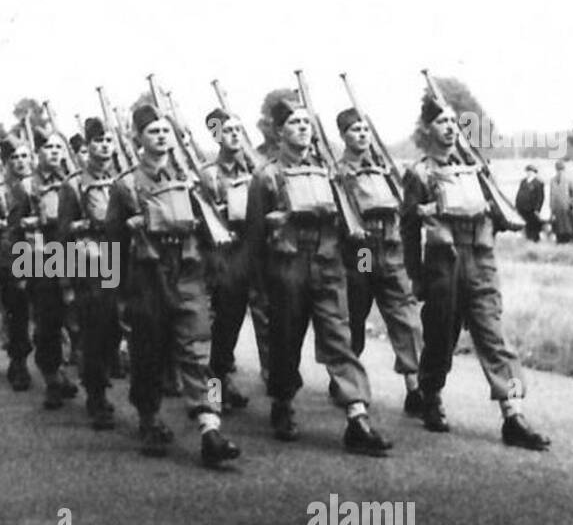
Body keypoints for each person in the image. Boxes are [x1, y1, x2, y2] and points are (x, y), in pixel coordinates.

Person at [400, 95, 549, 450]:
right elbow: (407, 229)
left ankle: (513, 414)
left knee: (495, 339)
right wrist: (416, 275)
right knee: (439, 338)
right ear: (427, 130)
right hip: (443, 263)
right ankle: (430, 396)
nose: (450, 127)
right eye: (442, 122)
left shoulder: (476, 170)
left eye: (453, 122)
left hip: (481, 260)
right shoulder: (419, 173)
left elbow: (497, 213)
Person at [245, 92, 390, 457]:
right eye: (295, 123)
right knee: (285, 341)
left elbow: (352, 227)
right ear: (279, 132)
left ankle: (357, 417)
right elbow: (254, 237)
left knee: (340, 340)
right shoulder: (266, 176)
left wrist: (362, 273)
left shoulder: (331, 173)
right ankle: (282, 402)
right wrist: (260, 285)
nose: (303, 129)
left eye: (307, 123)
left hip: (327, 264)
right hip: (287, 267)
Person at [106, 104, 239, 467]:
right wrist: (117, 297)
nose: (161, 136)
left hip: (188, 274)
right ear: (138, 140)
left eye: (165, 131)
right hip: (147, 279)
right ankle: (149, 418)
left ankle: (210, 428)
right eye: (153, 132)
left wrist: (216, 274)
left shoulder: (189, 179)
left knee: (199, 351)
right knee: (148, 354)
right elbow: (112, 246)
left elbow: (209, 228)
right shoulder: (125, 186)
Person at [333, 107, 425, 415]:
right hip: (362, 250)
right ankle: (347, 379)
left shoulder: (386, 170)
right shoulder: (339, 172)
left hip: (390, 245)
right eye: (355, 130)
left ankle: (415, 387)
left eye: (365, 129)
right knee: (356, 311)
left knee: (406, 316)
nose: (362, 134)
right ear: (343, 136)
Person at [199, 107, 269, 413]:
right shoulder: (208, 174)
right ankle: (213, 393)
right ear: (216, 135)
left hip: (254, 254)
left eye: (239, 129)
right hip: (224, 256)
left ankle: (229, 381)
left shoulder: (257, 170)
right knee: (222, 327)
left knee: (241, 322)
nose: (235, 134)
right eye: (227, 130)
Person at [57, 117, 123, 429]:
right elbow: (62, 234)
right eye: (98, 141)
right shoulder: (73, 185)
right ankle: (96, 395)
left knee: (114, 329)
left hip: (123, 261)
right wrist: (67, 283)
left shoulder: (122, 179)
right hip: (91, 264)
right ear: (88, 146)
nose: (104, 146)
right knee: (95, 331)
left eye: (109, 140)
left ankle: (103, 376)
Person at [16, 130, 79, 410]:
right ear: (37, 153)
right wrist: (21, 271)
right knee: (48, 324)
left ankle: (89, 379)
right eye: (49, 147)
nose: (55, 152)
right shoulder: (27, 187)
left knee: (85, 321)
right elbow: (14, 231)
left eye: (59, 147)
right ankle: (53, 378)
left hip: (81, 255)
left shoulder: (76, 180)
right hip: (43, 257)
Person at [0, 138, 35, 392]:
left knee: (49, 317)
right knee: (17, 316)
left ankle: (55, 370)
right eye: (15, 157)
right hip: (13, 262)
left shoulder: (40, 187)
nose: (21, 161)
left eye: (25, 156)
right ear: (6, 162)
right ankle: (19, 362)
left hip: (47, 258)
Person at [548, 159, 573, 243]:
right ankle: (560, 239)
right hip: (556, 207)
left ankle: (570, 239)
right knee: (558, 225)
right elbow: (551, 194)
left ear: (564, 169)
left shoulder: (569, 179)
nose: (559, 171)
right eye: (558, 169)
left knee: (568, 225)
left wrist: (571, 203)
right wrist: (551, 207)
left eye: (561, 169)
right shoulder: (552, 180)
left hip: (566, 207)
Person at [514, 164, 545, 243]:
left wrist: (537, 209)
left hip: (532, 209)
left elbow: (540, 197)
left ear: (534, 173)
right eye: (527, 171)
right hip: (522, 208)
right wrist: (517, 205)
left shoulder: (538, 183)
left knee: (534, 225)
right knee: (526, 225)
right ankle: (528, 239)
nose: (529, 173)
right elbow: (519, 194)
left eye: (530, 172)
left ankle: (535, 240)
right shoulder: (523, 182)